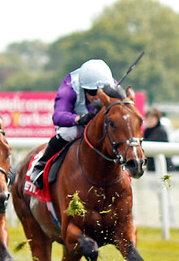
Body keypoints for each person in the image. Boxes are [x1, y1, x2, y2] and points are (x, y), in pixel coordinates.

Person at [30, 59, 115, 188]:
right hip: (77, 124)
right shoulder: (70, 86)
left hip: (101, 125)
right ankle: (41, 166)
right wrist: (79, 119)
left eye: (101, 91)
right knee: (67, 132)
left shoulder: (112, 85)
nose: (97, 97)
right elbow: (58, 116)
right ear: (83, 88)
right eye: (92, 92)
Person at [142, 107, 170, 172]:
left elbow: (148, 143)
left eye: (152, 118)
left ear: (157, 119)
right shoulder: (147, 130)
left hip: (163, 166)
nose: (149, 120)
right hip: (153, 166)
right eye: (148, 118)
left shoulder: (160, 131)